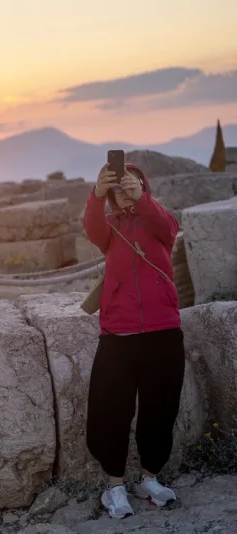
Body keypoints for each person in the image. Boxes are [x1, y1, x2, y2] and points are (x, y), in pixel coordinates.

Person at [83, 162, 185, 519]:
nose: (125, 191)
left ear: (144, 187)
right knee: (110, 411)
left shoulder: (156, 219)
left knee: (160, 409)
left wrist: (141, 199)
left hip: (163, 330)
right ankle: (114, 486)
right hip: (119, 334)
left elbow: (170, 229)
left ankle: (149, 479)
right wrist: (96, 196)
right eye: (119, 187)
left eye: (133, 184)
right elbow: (91, 228)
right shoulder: (109, 226)